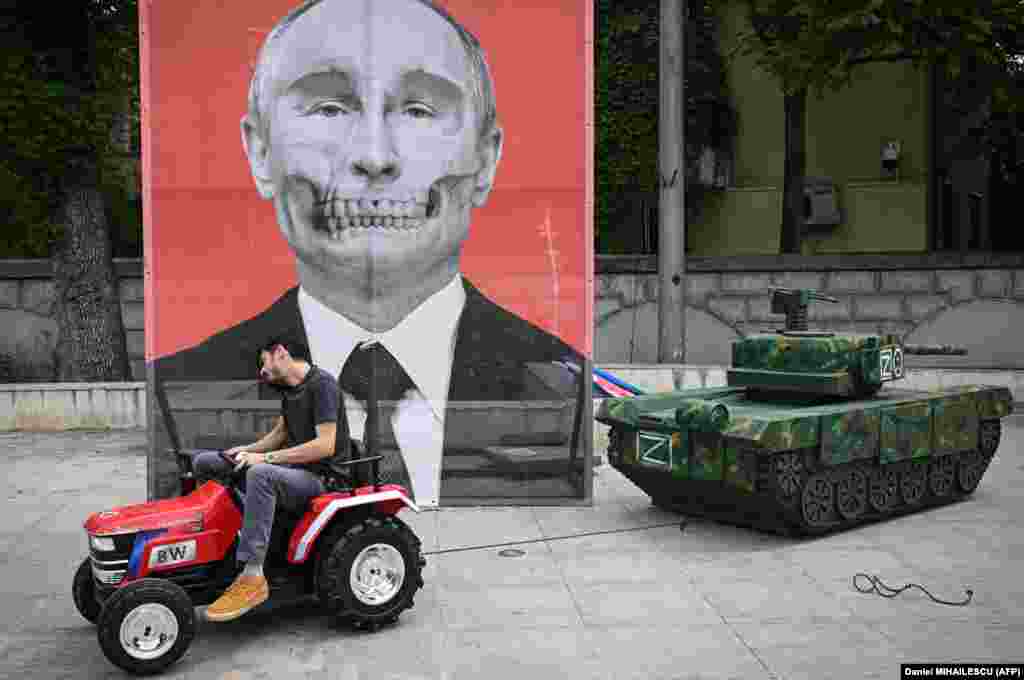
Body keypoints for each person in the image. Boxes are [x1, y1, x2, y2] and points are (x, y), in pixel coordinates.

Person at [155, 0, 587, 508]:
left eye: (419, 111)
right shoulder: (181, 384)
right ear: (260, 151)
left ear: (485, 158)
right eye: (329, 109)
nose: (375, 156)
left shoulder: (556, 379)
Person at [195, 337, 341, 622]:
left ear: (280, 353)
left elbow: (326, 445)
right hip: (292, 471)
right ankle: (212, 546)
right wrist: (246, 450)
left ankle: (252, 576)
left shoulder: (322, 384)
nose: (262, 372)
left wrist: (264, 459)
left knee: (260, 474)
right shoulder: (291, 391)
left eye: (263, 363)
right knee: (207, 461)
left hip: (320, 477)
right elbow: (279, 436)